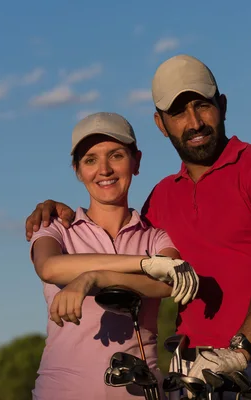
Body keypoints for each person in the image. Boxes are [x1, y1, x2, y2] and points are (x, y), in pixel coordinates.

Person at [26, 55, 251, 400]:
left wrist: (239, 351)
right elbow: (146, 264)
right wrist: (54, 209)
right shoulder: (160, 199)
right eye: (178, 113)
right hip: (187, 374)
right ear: (161, 124)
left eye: (202, 106)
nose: (194, 122)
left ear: (221, 105)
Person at [28, 111, 199, 400]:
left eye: (116, 155)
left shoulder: (156, 236)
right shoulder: (56, 228)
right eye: (90, 160)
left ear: (137, 162)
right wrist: (144, 265)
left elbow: (169, 282)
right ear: (78, 171)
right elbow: (49, 267)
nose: (104, 169)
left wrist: (95, 278)